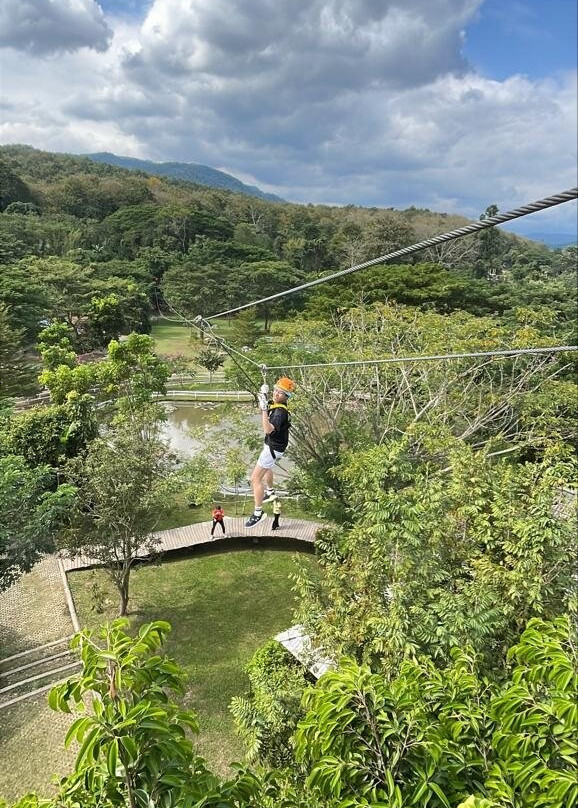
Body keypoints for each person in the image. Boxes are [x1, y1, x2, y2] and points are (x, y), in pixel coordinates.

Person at [244, 376, 295, 528]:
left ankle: (258, 513)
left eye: (280, 393)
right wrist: (263, 397)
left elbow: (267, 429)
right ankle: (270, 491)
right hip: (274, 447)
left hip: (273, 448)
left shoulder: (280, 412)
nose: (276, 394)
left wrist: (265, 409)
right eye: (275, 391)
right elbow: (263, 408)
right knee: (267, 467)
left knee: (255, 479)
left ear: (287, 397)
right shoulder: (276, 403)